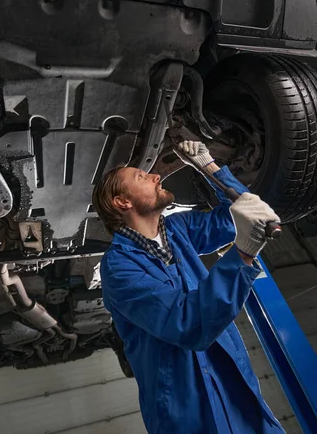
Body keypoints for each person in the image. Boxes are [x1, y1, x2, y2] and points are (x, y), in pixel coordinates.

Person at [92, 140, 285, 434]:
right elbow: (187, 324)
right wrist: (242, 253)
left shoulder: (178, 228)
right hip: (186, 413)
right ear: (123, 202)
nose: (156, 175)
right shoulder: (118, 269)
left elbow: (243, 212)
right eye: (142, 177)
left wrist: (209, 167)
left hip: (234, 388)